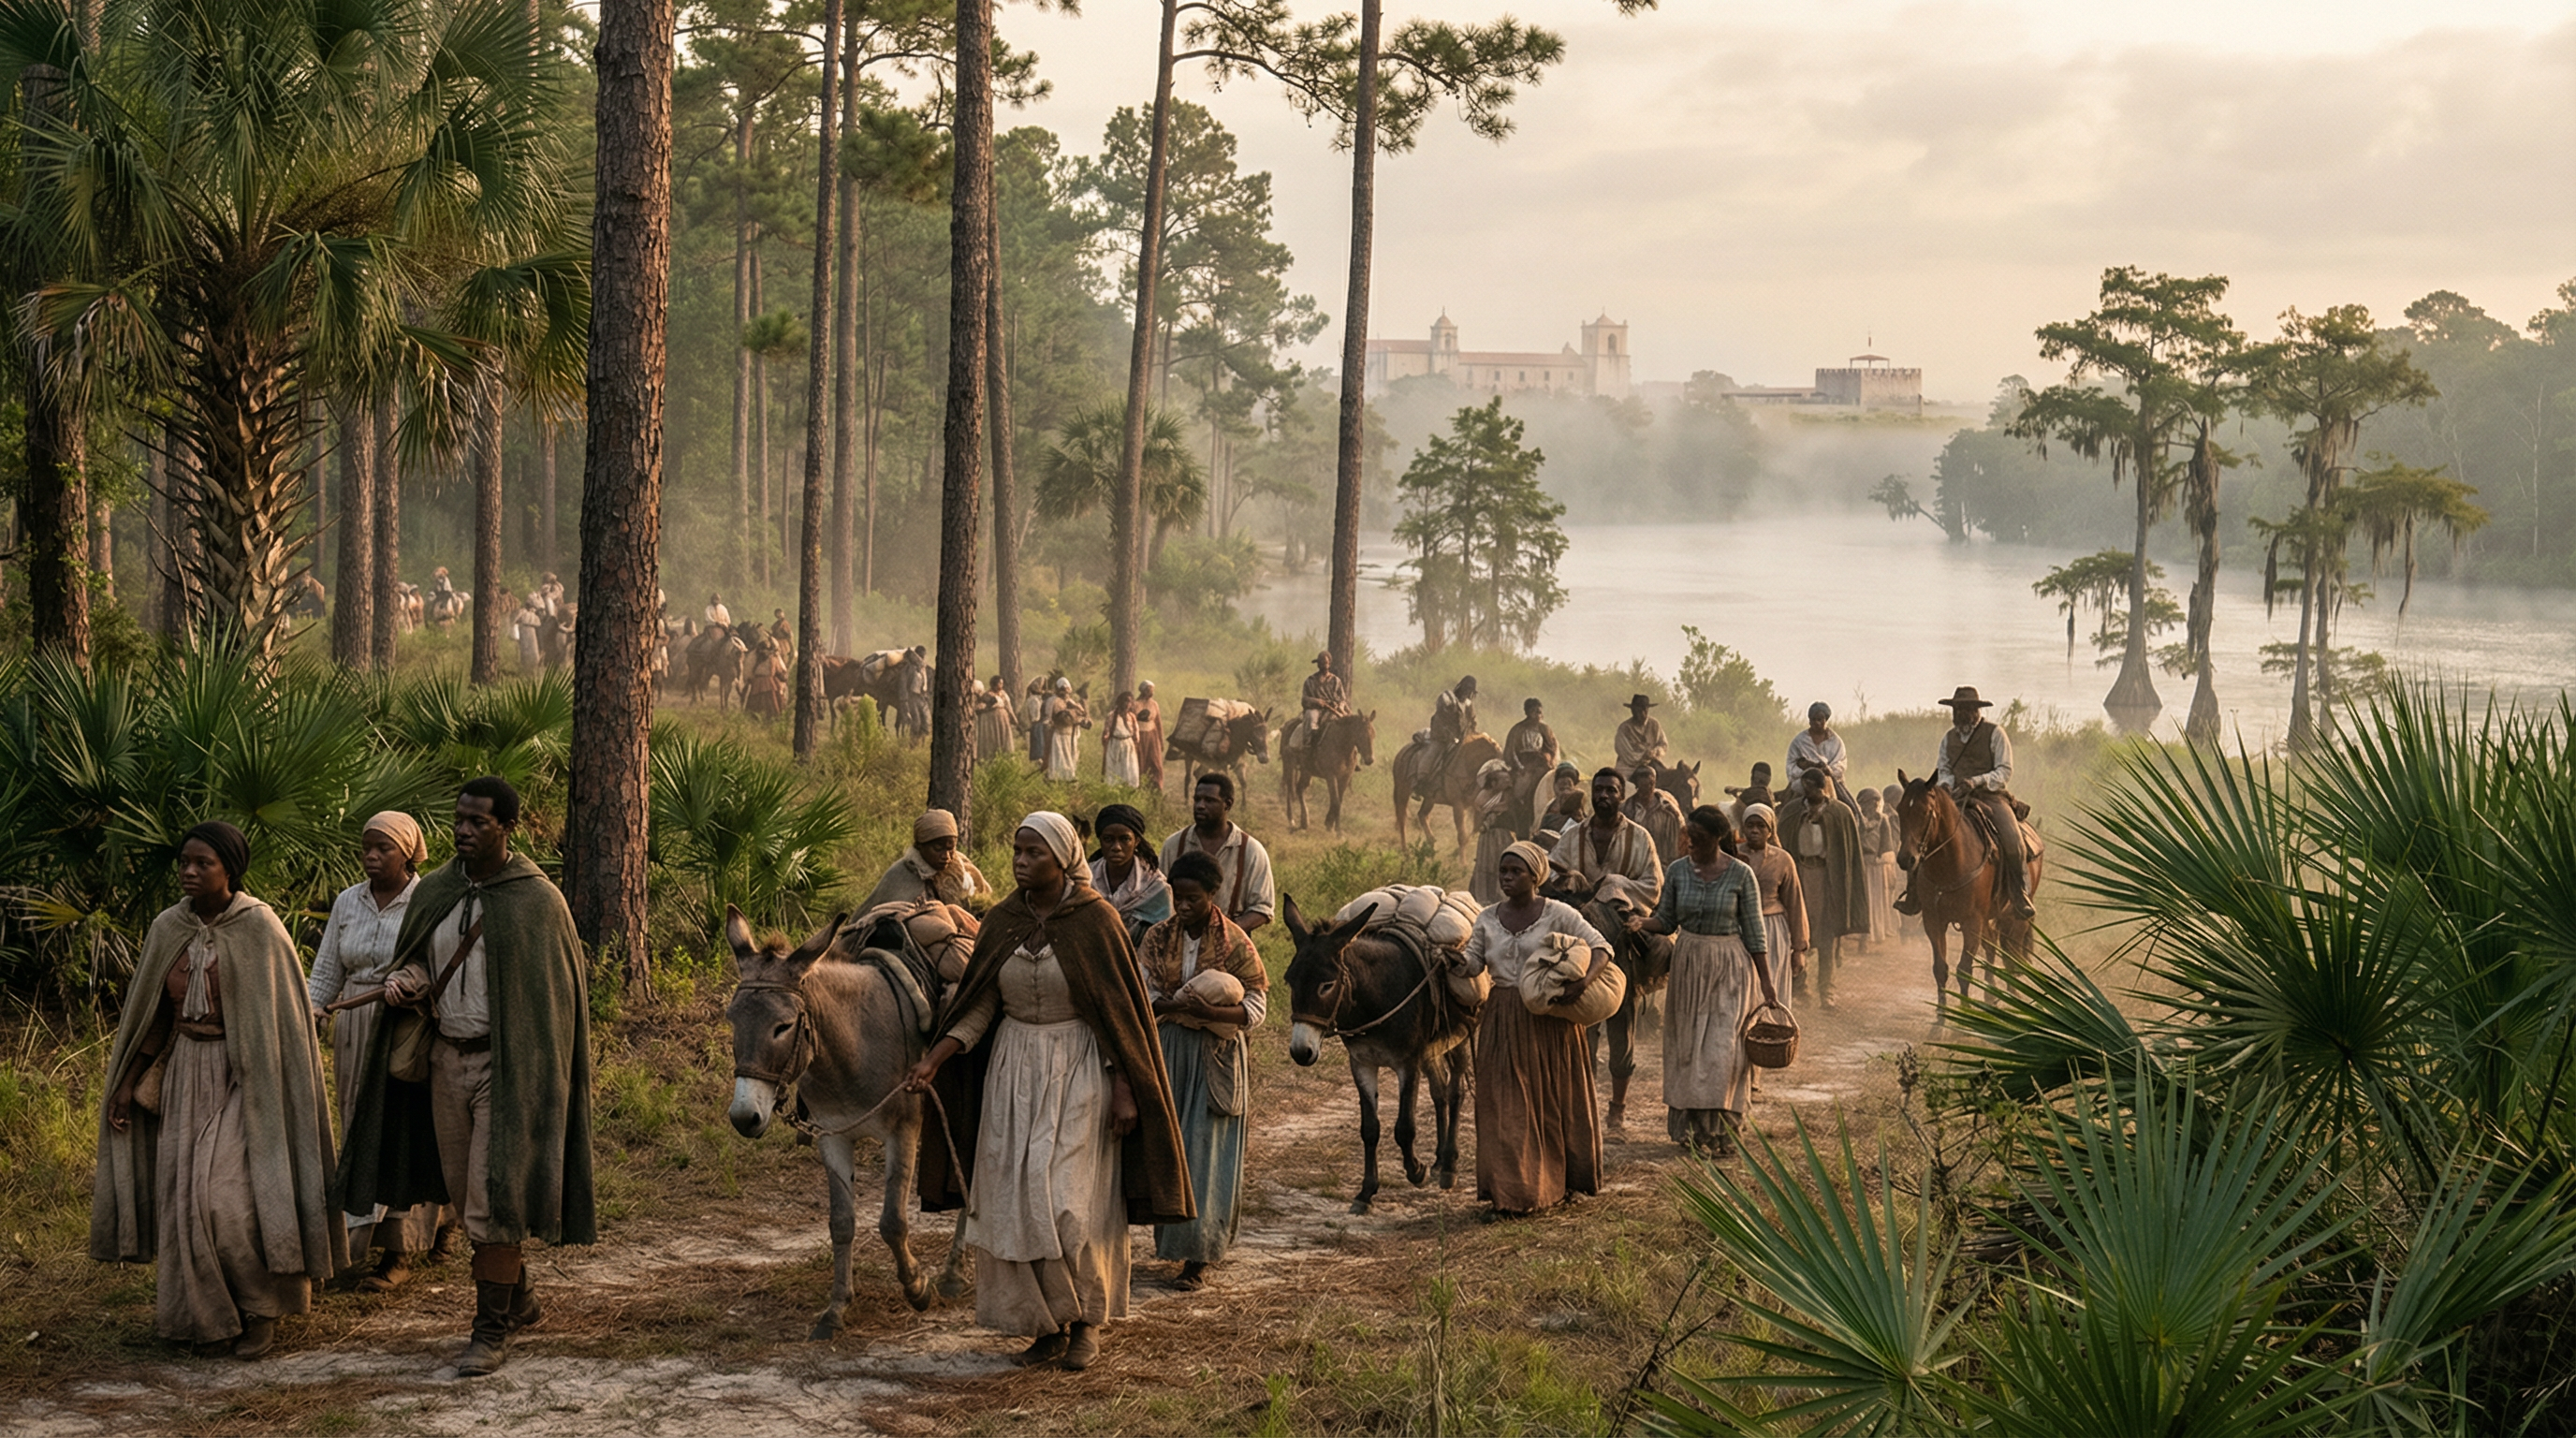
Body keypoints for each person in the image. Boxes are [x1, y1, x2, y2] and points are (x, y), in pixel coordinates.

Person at [906, 814, 1193, 1372]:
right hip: (1013, 1071)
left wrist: (1125, 1087)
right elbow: (980, 1004)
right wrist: (935, 1059)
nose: (1020, 861)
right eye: (1016, 850)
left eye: (1033, 852)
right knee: (1017, 1202)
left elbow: (1117, 1018)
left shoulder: (1097, 922)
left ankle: (1087, 1320)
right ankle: (1044, 1325)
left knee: (1069, 1202)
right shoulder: (1005, 920)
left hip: (1081, 1068)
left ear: (1063, 859)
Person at [335, 777, 595, 1379]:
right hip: (445, 1061)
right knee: (465, 1192)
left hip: (509, 1069)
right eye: (459, 819)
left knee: (492, 1196)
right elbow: (419, 959)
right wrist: (409, 980)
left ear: (508, 827)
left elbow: (554, 1002)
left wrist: (537, 1074)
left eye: (479, 821)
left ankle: (490, 1329)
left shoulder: (536, 900)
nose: (464, 830)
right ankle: (520, 1295)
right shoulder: (441, 889)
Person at [95, 821, 344, 1358]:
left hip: (248, 1080)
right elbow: (154, 1017)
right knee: (183, 1199)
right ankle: (207, 1318)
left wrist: (262, 1074)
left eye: (202, 863)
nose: (188, 871)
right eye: (184, 861)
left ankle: (262, 1310)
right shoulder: (168, 927)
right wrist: (127, 1083)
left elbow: (281, 1023)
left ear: (229, 869)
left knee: (224, 1201)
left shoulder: (260, 928)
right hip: (186, 1071)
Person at [307, 813, 447, 1292]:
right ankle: (356, 1242)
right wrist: (315, 1011)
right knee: (359, 1127)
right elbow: (328, 969)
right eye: (366, 848)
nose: (371, 856)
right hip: (354, 1026)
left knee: (402, 1130)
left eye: (382, 849)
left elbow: (439, 962)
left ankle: (400, 1249)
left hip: (404, 1027)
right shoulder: (349, 901)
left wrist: (410, 982)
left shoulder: (427, 900)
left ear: (408, 852)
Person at [1457, 843, 1612, 1215]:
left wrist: (1582, 984)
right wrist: (1453, 960)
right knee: (1503, 1105)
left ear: (1535, 876)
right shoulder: (1487, 918)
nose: (1507, 878)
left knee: (1553, 1100)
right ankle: (1513, 1193)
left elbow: (1601, 947)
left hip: (1549, 1019)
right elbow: (1473, 964)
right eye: (1503, 872)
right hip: (1502, 1019)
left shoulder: (1558, 913)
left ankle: (1559, 1183)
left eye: (1515, 872)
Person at [1138, 851, 1266, 1289]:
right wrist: (1176, 1006)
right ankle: (1172, 1242)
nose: (1184, 904)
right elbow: (1144, 991)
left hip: (1216, 1051)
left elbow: (1256, 1005)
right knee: (1171, 1146)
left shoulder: (1235, 942)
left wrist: (1211, 1011)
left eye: (1194, 897)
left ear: (1213, 895)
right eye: (1178, 895)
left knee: (1207, 1149)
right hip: (1171, 1046)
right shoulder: (1157, 937)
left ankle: (1199, 1256)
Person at [1632, 805, 1776, 1156]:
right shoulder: (1678, 871)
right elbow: (1666, 919)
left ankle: (1724, 1130)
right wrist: (1638, 922)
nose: (1690, 843)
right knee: (1689, 1049)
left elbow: (1755, 933)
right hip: (1688, 963)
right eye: (1688, 837)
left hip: (1729, 965)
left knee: (1723, 1050)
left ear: (1717, 838)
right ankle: (1695, 1131)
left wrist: (1768, 985)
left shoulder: (1741, 875)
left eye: (1697, 838)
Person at [1900, 686, 2034, 919]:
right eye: (1957, 709)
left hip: (1990, 796)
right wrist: (1949, 784)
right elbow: (1944, 769)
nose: (1960, 713)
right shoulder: (1948, 738)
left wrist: (1977, 781)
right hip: (1956, 795)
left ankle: (2019, 892)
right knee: (1924, 835)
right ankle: (1914, 894)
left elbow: (2004, 770)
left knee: (2012, 838)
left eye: (1966, 709)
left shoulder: (1995, 733)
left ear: (1976, 710)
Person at [1778, 769, 1868, 1007]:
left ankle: (1827, 990)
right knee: (1797, 931)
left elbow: (1849, 856)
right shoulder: (1792, 811)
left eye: (1813, 787)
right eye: (1805, 787)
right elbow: (1781, 844)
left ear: (1822, 787)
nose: (1808, 792)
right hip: (1799, 876)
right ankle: (1799, 985)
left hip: (1828, 879)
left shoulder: (1840, 812)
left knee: (1827, 936)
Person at [1159, 773, 1276, 934]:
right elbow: (1160, 898)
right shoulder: (1174, 845)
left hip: (1231, 944)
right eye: (1197, 799)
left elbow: (1263, 908)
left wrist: (1225, 932)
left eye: (1209, 800)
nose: (1200, 805)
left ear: (1227, 804)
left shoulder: (1251, 850)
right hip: (1179, 940)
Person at [1548, 769, 1665, 907]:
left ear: (1622, 797)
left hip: (1621, 916)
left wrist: (1616, 887)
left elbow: (1652, 885)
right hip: (1575, 912)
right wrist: (1573, 882)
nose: (1603, 795)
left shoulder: (1640, 838)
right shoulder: (1572, 835)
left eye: (1611, 790)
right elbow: (1552, 873)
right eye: (1598, 790)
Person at [1736, 803, 1807, 1010]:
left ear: (1770, 831)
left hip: (1772, 931)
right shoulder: (1732, 856)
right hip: (1739, 929)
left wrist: (1799, 949)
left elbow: (1795, 904)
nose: (1755, 831)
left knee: (1771, 983)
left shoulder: (1783, 859)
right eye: (1750, 825)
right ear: (1743, 828)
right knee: (1741, 985)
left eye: (1761, 826)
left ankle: (1770, 1030)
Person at [866, 809, 993, 910]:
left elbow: (985, 901)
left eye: (951, 848)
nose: (946, 856)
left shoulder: (962, 868)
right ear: (920, 846)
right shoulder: (899, 875)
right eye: (938, 848)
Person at [1090, 803, 1172, 946]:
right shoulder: (1085, 879)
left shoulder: (1155, 888)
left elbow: (1166, 938)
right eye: (1108, 839)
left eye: (1125, 839)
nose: (1116, 847)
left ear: (1136, 841)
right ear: (1100, 841)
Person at [1415, 675, 1478, 798]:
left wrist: (1472, 735)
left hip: (1460, 739)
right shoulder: (1447, 698)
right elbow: (1442, 720)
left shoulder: (1468, 704)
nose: (1467, 693)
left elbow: (1472, 721)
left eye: (1470, 691)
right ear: (1461, 687)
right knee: (1434, 751)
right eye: (1466, 689)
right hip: (1441, 736)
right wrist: (1450, 737)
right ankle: (1420, 782)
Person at [1502, 698, 1559, 835]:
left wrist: (1549, 760)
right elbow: (1510, 751)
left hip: (1541, 764)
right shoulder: (1518, 729)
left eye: (1539, 711)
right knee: (1519, 794)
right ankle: (1521, 820)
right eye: (1534, 711)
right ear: (1527, 712)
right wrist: (1519, 767)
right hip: (1524, 765)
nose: (1537, 714)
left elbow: (1552, 747)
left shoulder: (1545, 728)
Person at [1470, 759, 1518, 904]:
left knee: (1502, 863)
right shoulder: (1483, 796)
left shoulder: (1507, 795)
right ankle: (1484, 897)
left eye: (1508, 779)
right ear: (1493, 783)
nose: (1509, 781)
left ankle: (1502, 894)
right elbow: (1481, 811)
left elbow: (1504, 807)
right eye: (1504, 780)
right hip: (1489, 836)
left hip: (1505, 836)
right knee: (1486, 864)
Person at [1787, 702, 1851, 804]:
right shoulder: (1799, 741)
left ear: (1826, 720)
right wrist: (1807, 772)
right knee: (1789, 811)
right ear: (1809, 721)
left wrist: (1828, 771)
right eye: (1813, 719)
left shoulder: (1836, 741)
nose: (1817, 722)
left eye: (1820, 719)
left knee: (1852, 810)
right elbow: (1791, 766)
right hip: (1804, 783)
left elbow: (1841, 764)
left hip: (1831, 781)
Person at [1855, 788, 1897, 944]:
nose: (1872, 805)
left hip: (1877, 866)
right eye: (1867, 803)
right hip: (1862, 865)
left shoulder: (1883, 820)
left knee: (1877, 901)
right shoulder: (1857, 821)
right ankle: (1863, 936)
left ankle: (1875, 934)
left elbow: (1887, 844)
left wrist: (1880, 859)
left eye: (1875, 802)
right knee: (1864, 901)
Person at [1625, 763, 1688, 867]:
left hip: (1661, 866)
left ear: (1654, 784)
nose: (1646, 791)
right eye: (1643, 786)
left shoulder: (1669, 814)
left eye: (1650, 785)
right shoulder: (1625, 810)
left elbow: (1675, 849)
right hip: (1632, 866)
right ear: (1636, 785)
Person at [1295, 652, 1349, 762]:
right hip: (1315, 709)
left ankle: (1350, 755)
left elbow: (1343, 699)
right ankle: (1308, 748)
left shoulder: (1336, 681)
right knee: (1311, 719)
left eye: (1326, 662)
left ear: (1329, 664)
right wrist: (1316, 701)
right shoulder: (1310, 681)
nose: (1324, 665)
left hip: (1333, 710)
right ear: (1318, 664)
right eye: (1321, 662)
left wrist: (1339, 705)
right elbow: (1304, 699)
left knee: (1348, 726)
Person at [1044, 679, 1089, 783]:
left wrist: (1075, 707)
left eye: (1067, 689)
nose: (1065, 691)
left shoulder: (1069, 701)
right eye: (1062, 689)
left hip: (1070, 734)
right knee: (1059, 756)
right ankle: (1055, 778)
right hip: (1058, 733)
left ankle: (1069, 777)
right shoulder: (1052, 701)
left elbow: (1081, 713)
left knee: (1070, 756)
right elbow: (1048, 718)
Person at [1533, 762, 1587, 844]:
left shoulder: (1577, 805)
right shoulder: (1547, 807)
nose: (1565, 786)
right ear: (1554, 785)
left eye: (1569, 784)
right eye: (1562, 784)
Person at [1614, 694, 1667, 774]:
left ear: (1648, 710)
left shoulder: (1655, 724)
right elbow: (1627, 754)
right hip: (1629, 767)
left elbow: (1663, 744)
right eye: (1638, 709)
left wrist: (1656, 752)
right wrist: (1644, 755)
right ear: (1632, 710)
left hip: (1653, 763)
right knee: (1622, 782)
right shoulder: (1624, 728)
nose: (1642, 712)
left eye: (1644, 709)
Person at [973, 677, 1018, 765]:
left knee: (1004, 739)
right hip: (991, 721)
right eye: (999, 684)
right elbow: (980, 708)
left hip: (1003, 720)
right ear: (993, 684)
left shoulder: (1003, 694)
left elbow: (1008, 707)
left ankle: (1006, 760)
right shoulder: (987, 695)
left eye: (1002, 684)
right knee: (993, 739)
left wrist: (1013, 719)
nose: (1001, 686)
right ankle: (991, 760)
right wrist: (989, 706)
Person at [1103, 692, 1142, 786]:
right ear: (1120, 702)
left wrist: (1135, 742)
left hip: (1128, 745)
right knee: (1114, 769)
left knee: (1129, 768)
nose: (1128, 704)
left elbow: (1136, 732)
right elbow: (1107, 731)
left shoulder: (1131, 717)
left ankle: (1129, 790)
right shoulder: (1112, 716)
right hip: (1115, 744)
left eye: (1130, 702)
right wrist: (1106, 739)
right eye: (1126, 701)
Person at [1135, 681, 1168, 792]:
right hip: (1139, 736)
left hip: (1152, 736)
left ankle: (1156, 786)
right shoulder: (1136, 704)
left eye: (1152, 690)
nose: (1151, 693)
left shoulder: (1154, 704)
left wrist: (1161, 741)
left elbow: (1158, 723)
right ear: (1143, 690)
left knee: (1155, 762)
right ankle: (1140, 786)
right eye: (1148, 690)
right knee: (1141, 761)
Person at [1725, 762, 1778, 832]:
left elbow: (1737, 812)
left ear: (1752, 778)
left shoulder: (1748, 794)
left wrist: (1736, 795)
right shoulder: (1769, 795)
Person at [512, 594, 543, 673]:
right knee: (525, 650)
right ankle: (525, 669)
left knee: (534, 652)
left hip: (532, 633)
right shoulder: (522, 612)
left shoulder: (534, 616)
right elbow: (515, 622)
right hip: (524, 631)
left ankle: (532, 669)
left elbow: (538, 623)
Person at [1024, 679, 1051, 766]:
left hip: (1040, 724)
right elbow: (1035, 717)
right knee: (1039, 746)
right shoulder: (1034, 700)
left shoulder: (1037, 699)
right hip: (1037, 725)